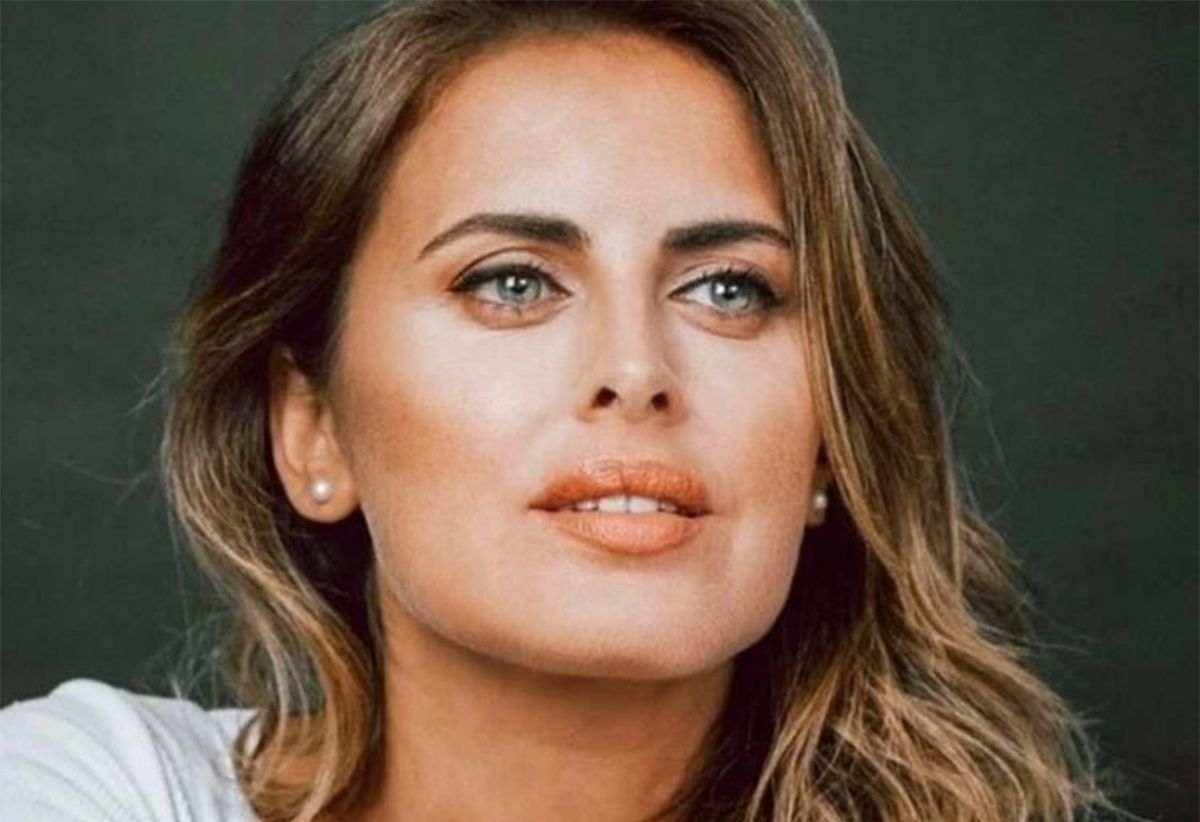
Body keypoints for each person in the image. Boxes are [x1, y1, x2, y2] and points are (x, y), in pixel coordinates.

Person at [0, 2, 1121, 821]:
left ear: (833, 441)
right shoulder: (84, 786)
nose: (636, 370)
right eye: (511, 282)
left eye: (729, 289)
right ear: (312, 428)